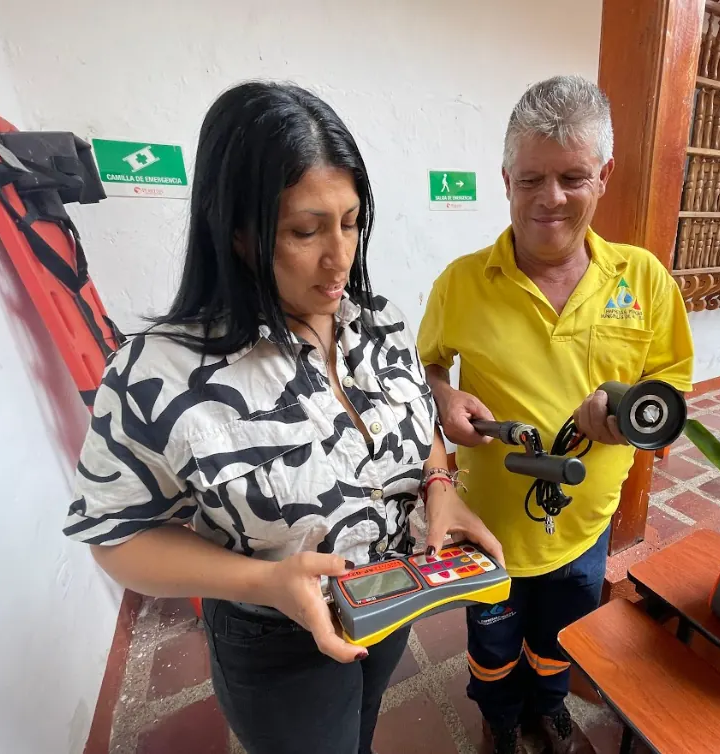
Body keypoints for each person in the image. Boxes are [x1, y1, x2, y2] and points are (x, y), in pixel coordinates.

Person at [63, 81, 502, 754]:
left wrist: (440, 492)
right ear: (237, 231)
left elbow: (421, 432)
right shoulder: (158, 376)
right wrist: (264, 581)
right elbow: (114, 535)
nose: (340, 258)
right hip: (277, 641)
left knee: (357, 730)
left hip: (387, 596)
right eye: (306, 231)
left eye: (352, 222)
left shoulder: (376, 325)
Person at [417, 75, 694, 754]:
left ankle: (548, 708)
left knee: (560, 635)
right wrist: (443, 396)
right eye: (532, 178)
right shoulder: (460, 282)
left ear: (602, 176)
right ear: (505, 178)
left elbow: (669, 383)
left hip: (584, 526)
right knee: (490, 637)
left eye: (572, 176)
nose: (551, 198)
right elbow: (424, 370)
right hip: (489, 525)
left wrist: (624, 412)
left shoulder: (643, 279)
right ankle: (498, 718)